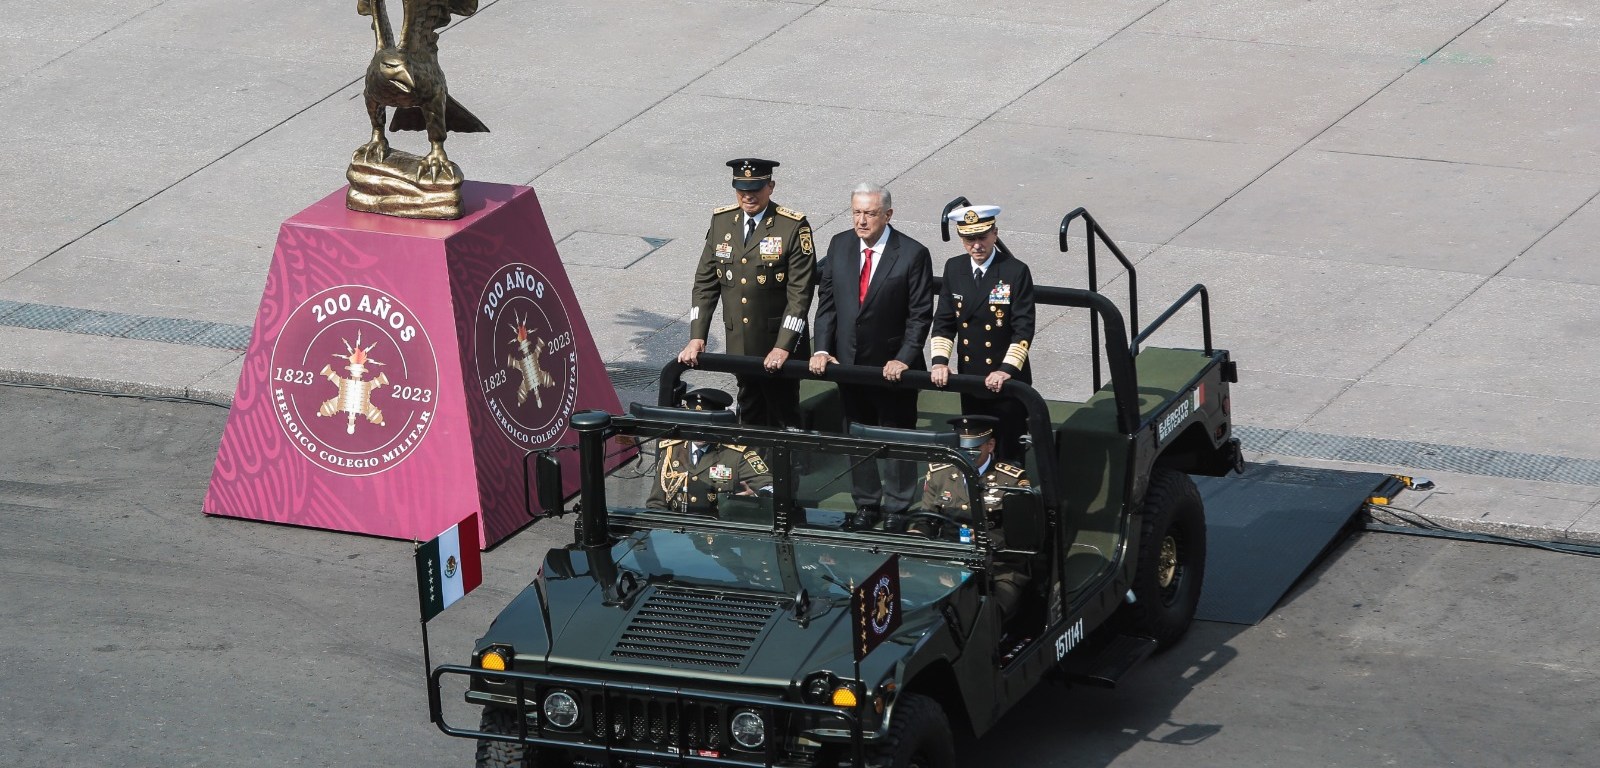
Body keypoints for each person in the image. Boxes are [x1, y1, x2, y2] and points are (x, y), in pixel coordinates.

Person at [809, 182, 934, 531]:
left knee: (896, 436)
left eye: (870, 213)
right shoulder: (840, 245)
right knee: (856, 433)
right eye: (857, 213)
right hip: (849, 364)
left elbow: (920, 314)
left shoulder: (912, 253)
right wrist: (822, 348)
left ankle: (897, 508)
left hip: (892, 367)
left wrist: (905, 358)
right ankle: (866, 504)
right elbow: (828, 305)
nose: (862, 221)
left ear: (888, 215)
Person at [679, 158, 817, 429]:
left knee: (783, 412)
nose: (747, 195)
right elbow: (705, 284)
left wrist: (783, 345)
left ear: (771, 187)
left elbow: (800, 294)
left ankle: (790, 467)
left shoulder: (791, 227)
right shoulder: (722, 222)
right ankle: (753, 468)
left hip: (777, 342)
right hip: (740, 342)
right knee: (750, 410)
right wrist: (697, 336)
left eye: (755, 188)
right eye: (742, 189)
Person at [928, 205, 1035, 463]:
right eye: (969, 239)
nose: (977, 245)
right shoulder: (954, 269)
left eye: (982, 237)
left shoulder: (1014, 271)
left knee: (1009, 450)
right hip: (972, 380)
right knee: (975, 447)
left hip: (1006, 381)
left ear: (995, 234)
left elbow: (1023, 328)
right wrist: (940, 362)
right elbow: (943, 321)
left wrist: (1005, 370)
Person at [913, 415, 1030, 619]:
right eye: (962, 447)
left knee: (986, 615)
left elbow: (1021, 536)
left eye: (974, 447)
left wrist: (984, 539)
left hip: (998, 566)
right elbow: (927, 518)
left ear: (990, 445)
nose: (967, 453)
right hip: (948, 562)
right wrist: (916, 534)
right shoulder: (940, 474)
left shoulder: (1011, 480)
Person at [647, 389, 773, 514]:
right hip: (678, 529)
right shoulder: (672, 451)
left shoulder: (735, 454)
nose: (698, 431)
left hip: (718, 528)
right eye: (693, 423)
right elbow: (656, 503)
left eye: (706, 426)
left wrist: (758, 496)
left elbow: (767, 484)